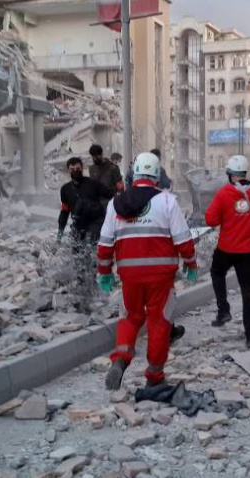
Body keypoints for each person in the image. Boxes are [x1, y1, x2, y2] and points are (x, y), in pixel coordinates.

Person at [97, 152, 199, 390]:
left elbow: (104, 243)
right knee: (159, 321)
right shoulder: (167, 201)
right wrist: (191, 263)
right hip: (160, 277)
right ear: (157, 175)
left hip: (129, 276)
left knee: (130, 317)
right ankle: (154, 376)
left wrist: (104, 272)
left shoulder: (116, 204)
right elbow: (184, 239)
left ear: (133, 175)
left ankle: (120, 359)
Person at [205, 155, 250, 348]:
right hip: (248, 252)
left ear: (230, 174)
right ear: (245, 173)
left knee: (216, 272)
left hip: (226, 249)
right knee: (249, 293)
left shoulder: (223, 193)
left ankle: (223, 309)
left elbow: (210, 220)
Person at [58, 157, 113, 244]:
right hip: (78, 224)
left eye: (78, 169)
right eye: (72, 169)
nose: (75, 171)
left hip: (96, 222)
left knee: (91, 245)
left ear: (82, 168)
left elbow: (111, 195)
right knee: (76, 250)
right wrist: (59, 235)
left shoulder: (93, 184)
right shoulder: (65, 189)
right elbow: (64, 212)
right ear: (68, 170)